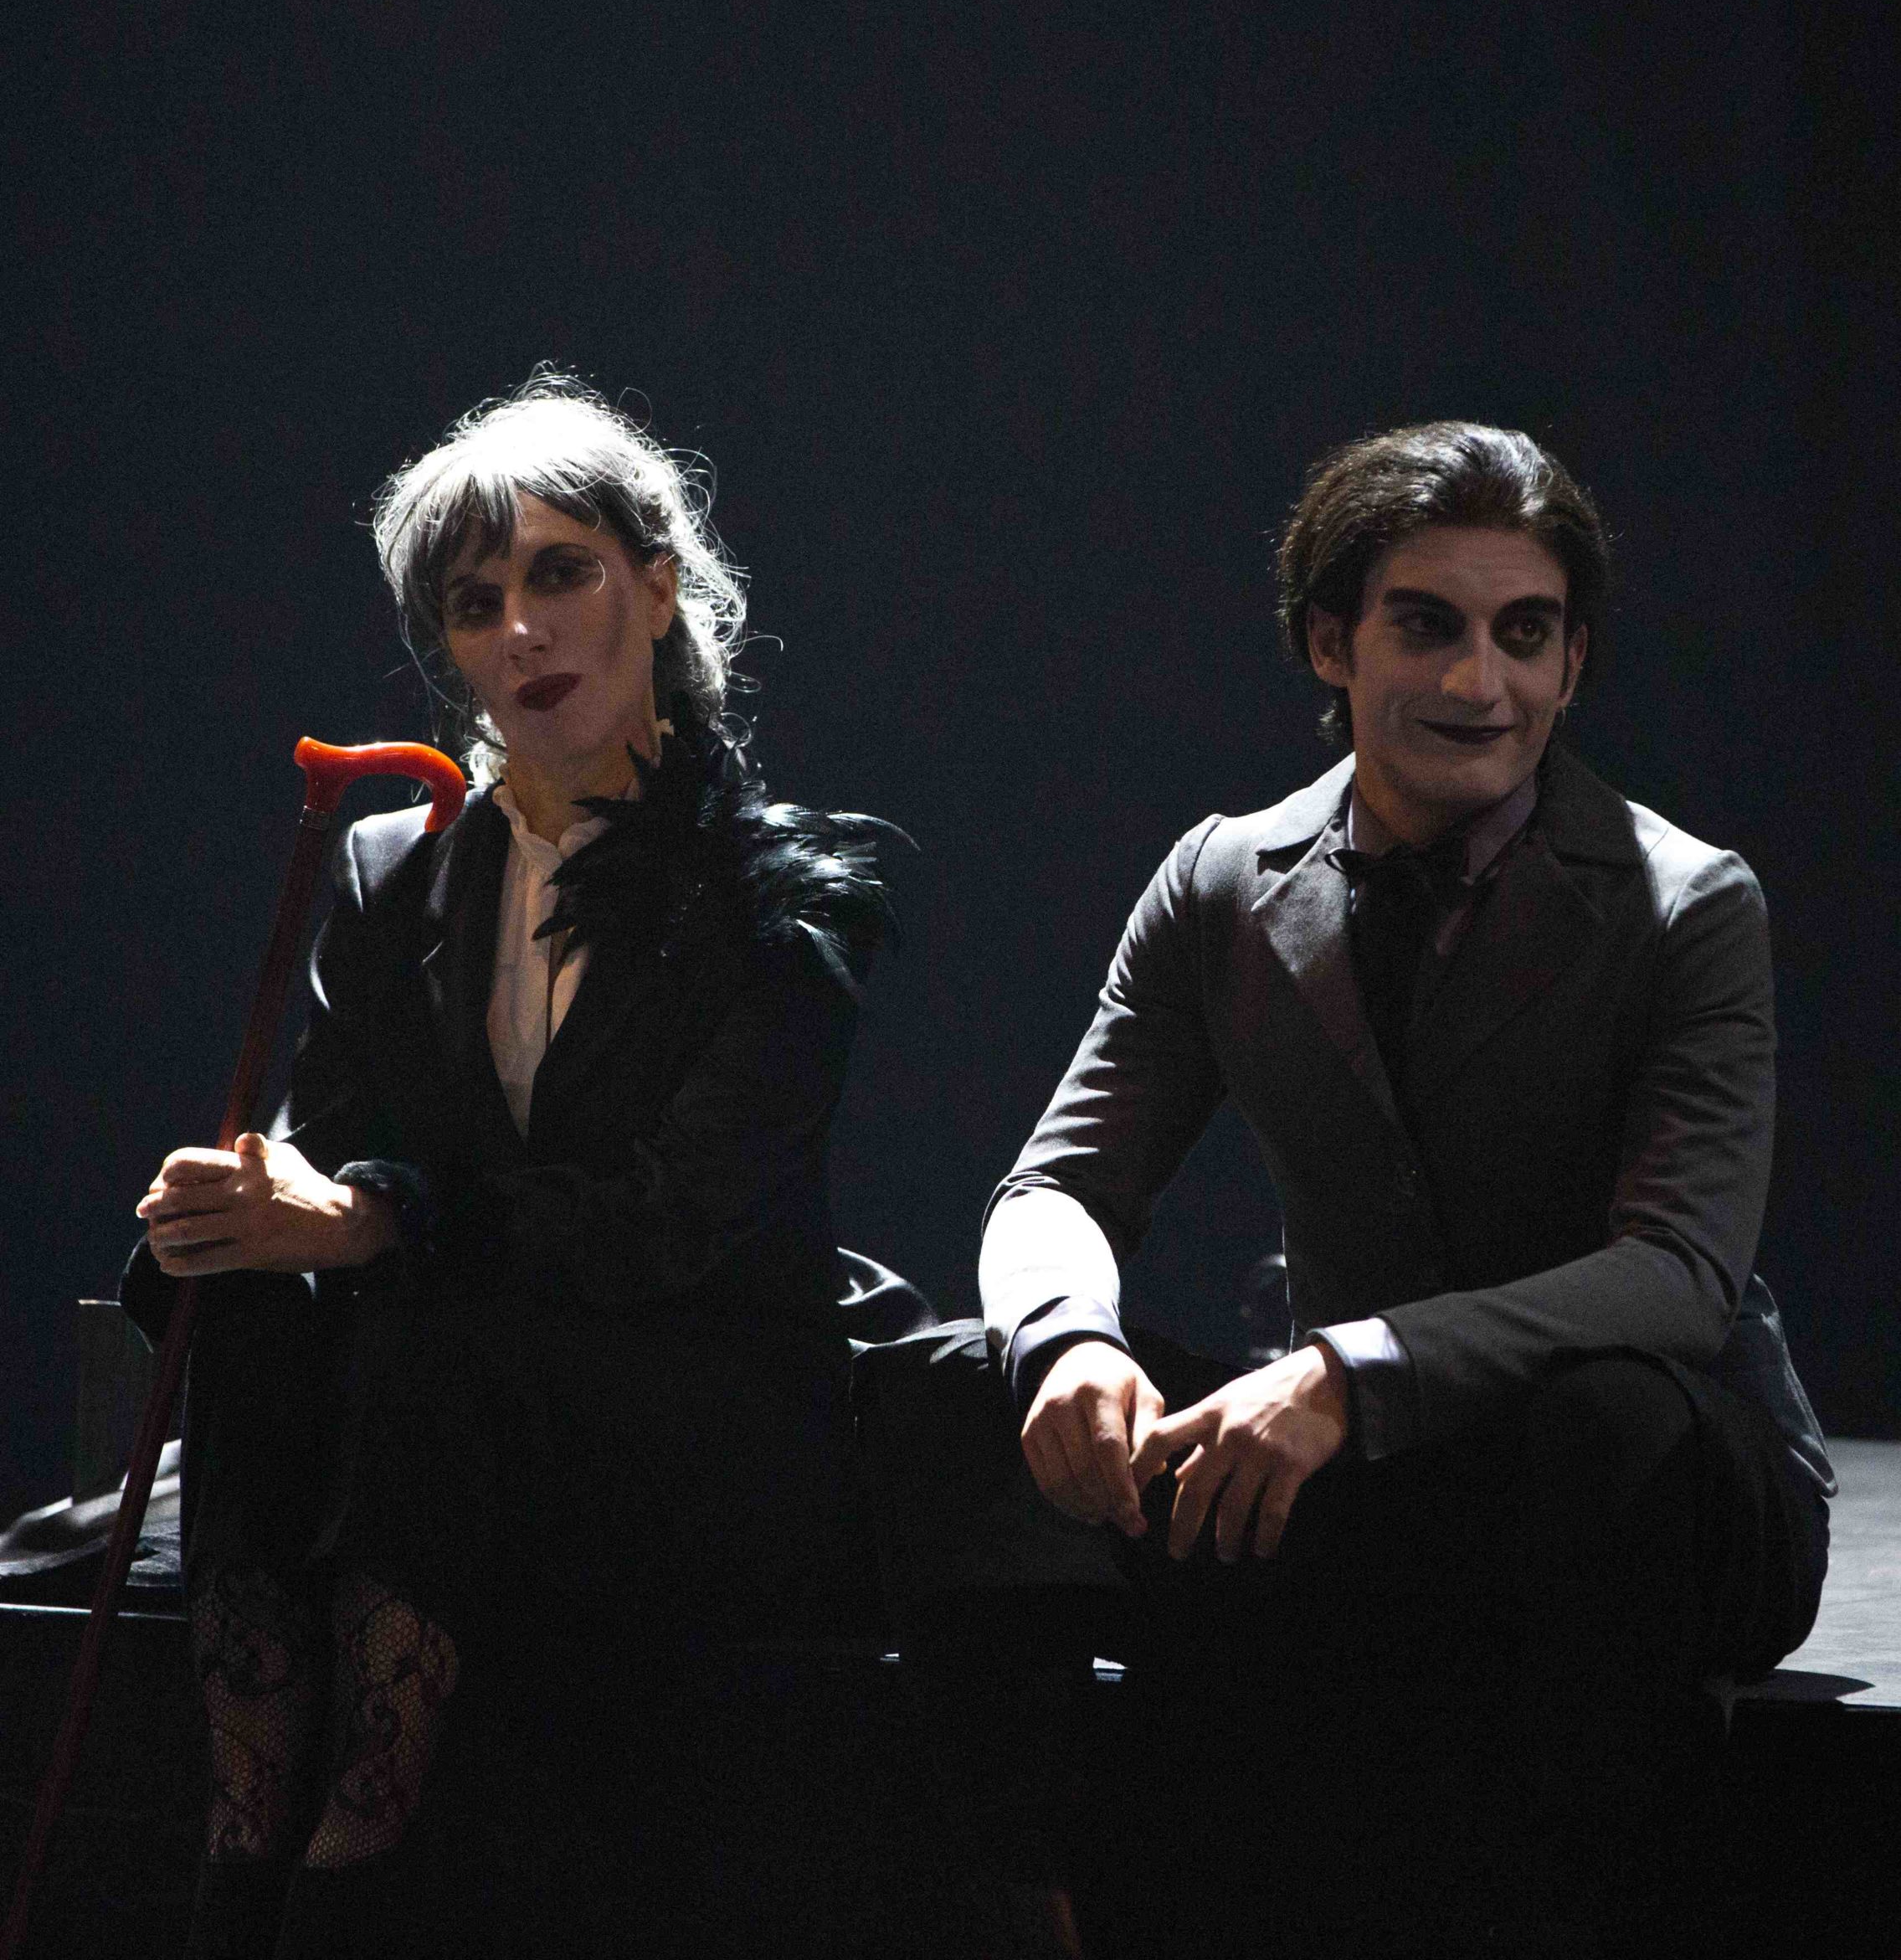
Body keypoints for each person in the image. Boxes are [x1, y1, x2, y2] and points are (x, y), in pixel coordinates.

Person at [971, 421, 1832, 1952]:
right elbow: (1059, 1187)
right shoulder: (1223, 878)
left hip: (1657, 1484)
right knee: (994, 1389)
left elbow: (1676, 1276)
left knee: (1605, 1420)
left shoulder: (1689, 903)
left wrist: (1349, 1374)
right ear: (1331, 641)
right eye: (1427, 625)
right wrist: (1066, 1341)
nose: (1479, 682)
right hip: (1385, 1492)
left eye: (1526, 634)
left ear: (1574, 662)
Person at [124, 377, 914, 1958]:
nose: (524, 632)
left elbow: (663, 1231)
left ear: (659, 587)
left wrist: (373, 1218)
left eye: (564, 574)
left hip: (683, 1408)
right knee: (251, 1312)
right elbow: (341, 1147)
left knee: (427, 1342)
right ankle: (248, 1836)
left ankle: (359, 1856)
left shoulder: (786, 896)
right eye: (476, 605)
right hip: (445, 1394)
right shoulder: (394, 864)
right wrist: (242, 1210)